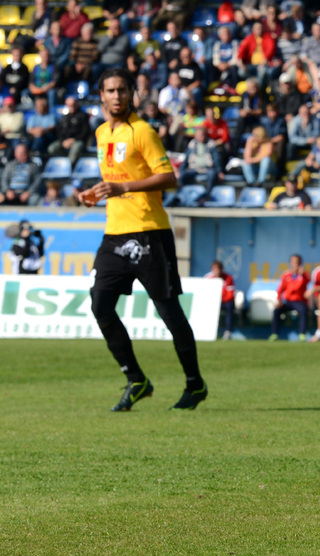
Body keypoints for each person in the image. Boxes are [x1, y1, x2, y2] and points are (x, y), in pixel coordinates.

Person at [74, 68, 207, 412]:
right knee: (100, 305)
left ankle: (194, 383)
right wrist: (94, 193)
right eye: (110, 90)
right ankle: (136, 380)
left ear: (131, 93)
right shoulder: (102, 132)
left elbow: (168, 177)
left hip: (150, 232)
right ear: (101, 96)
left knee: (169, 312)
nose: (116, 96)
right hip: (114, 234)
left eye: (122, 89)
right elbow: (116, 178)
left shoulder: (143, 131)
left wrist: (123, 187)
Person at [269, 253, 310, 341]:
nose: (296, 265)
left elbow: (301, 285)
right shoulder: (286, 275)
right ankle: (274, 334)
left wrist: (301, 275)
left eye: (297, 263)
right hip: (287, 301)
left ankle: (302, 334)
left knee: (303, 310)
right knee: (276, 310)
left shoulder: (304, 275)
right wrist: (279, 300)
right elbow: (280, 290)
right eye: (294, 262)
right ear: (290, 263)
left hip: (299, 301)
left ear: (300, 264)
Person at [180, 128, 223, 198]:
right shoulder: (192, 144)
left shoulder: (211, 144)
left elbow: (216, 159)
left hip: (208, 168)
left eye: (203, 135)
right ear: (196, 136)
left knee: (213, 174)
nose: (202, 137)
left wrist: (219, 171)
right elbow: (186, 160)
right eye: (200, 135)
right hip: (194, 168)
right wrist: (181, 170)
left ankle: (207, 195)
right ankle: (188, 195)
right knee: (183, 176)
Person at [205, 261, 236, 340]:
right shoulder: (207, 278)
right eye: (214, 269)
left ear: (221, 269)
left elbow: (230, 295)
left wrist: (219, 300)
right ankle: (207, 330)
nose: (216, 271)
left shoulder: (228, 278)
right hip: (211, 302)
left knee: (230, 306)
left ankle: (228, 332)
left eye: (218, 269)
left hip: (224, 302)